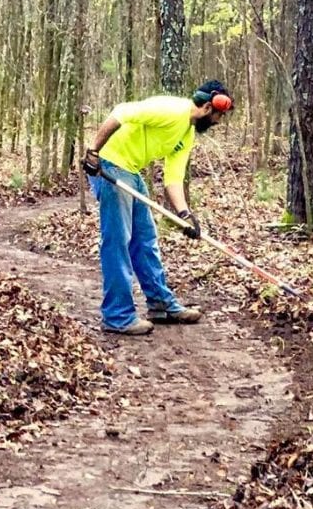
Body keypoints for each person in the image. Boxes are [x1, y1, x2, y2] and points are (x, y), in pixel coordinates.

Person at [80, 80, 233, 335]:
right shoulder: (172, 110)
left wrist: (185, 215)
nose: (218, 122)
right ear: (208, 107)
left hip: (131, 171)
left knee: (145, 239)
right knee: (117, 242)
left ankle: (161, 304)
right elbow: (121, 112)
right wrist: (94, 151)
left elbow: (173, 178)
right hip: (111, 166)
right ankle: (117, 316)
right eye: (219, 116)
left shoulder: (187, 133)